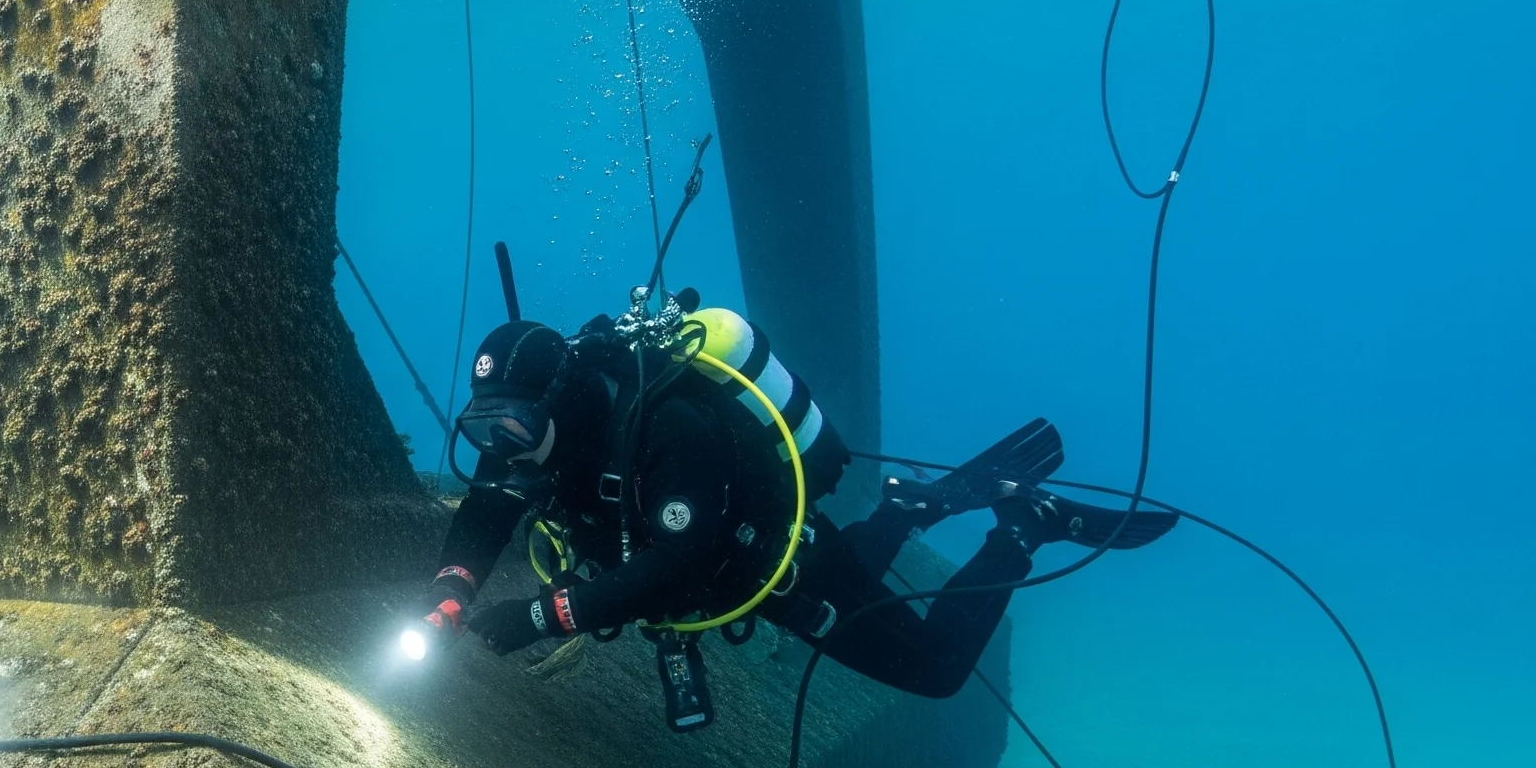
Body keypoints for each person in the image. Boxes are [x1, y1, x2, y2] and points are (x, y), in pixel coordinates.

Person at [417, 302, 1173, 701]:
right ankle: (909, 510)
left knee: (936, 672)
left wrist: (544, 616)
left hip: (769, 566)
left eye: (512, 426)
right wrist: (452, 596)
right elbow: (485, 510)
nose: (501, 447)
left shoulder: (663, 429)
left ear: (561, 398)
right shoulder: (532, 434)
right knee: (840, 566)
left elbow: (677, 567)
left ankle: (1022, 530)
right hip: (761, 562)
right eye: (485, 426)